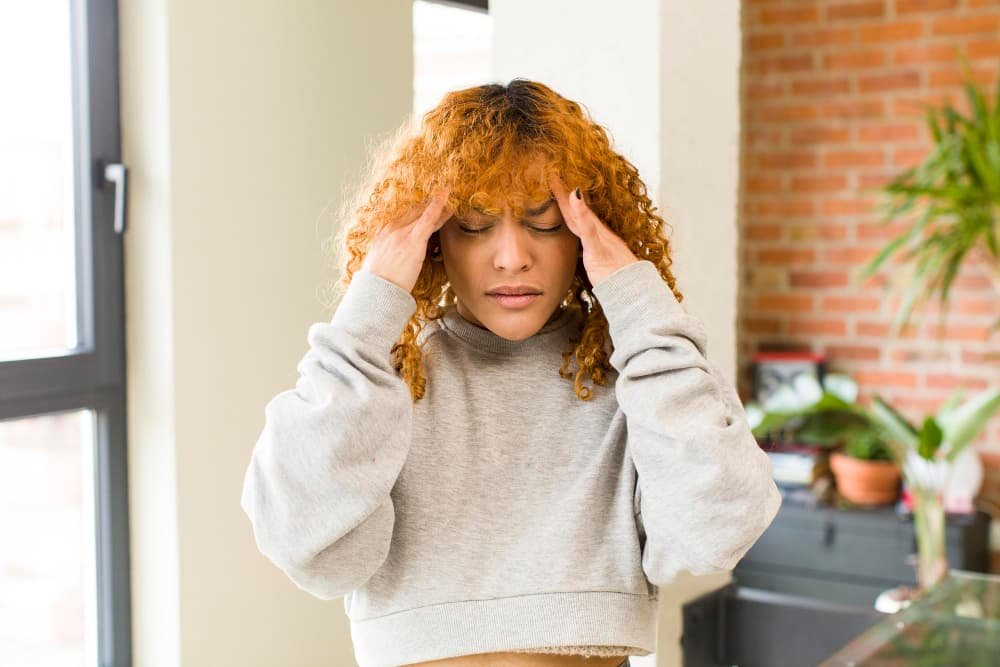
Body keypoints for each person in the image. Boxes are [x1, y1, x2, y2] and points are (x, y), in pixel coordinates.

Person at [240, 79, 782, 667]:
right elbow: (303, 545)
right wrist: (367, 314)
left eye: (543, 221)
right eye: (474, 225)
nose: (511, 256)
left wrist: (639, 305)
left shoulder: (636, 376)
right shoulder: (384, 379)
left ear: (584, 229)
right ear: (434, 239)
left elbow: (719, 530)